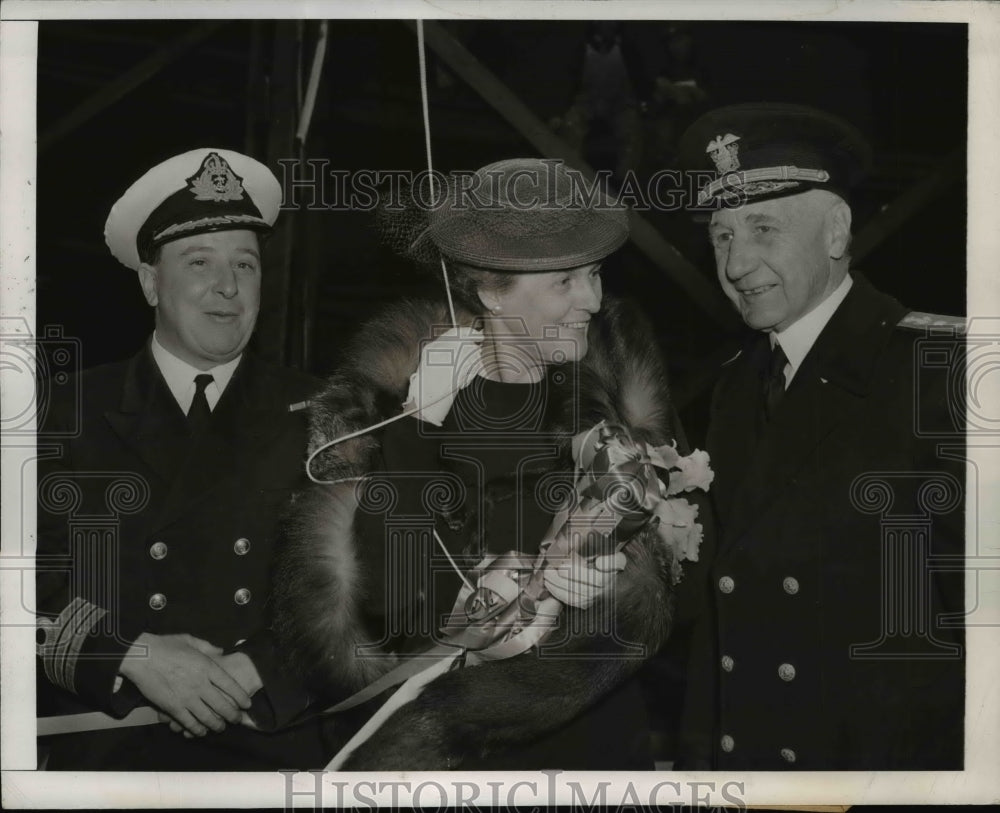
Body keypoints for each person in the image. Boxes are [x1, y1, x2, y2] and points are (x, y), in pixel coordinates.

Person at [269, 158, 711, 770]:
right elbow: (369, 596)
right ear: (489, 291)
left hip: (590, 754)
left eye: (595, 273)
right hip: (443, 759)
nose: (593, 299)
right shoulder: (403, 411)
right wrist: (464, 603)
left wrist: (617, 582)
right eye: (564, 282)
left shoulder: (621, 409)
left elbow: (695, 587)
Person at [675, 103, 965, 769]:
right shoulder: (736, 387)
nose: (737, 263)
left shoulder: (940, 373)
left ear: (836, 232)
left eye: (763, 228)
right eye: (721, 235)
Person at [35, 148, 327, 770]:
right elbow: (16, 580)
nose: (227, 286)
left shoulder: (326, 413)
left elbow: (371, 590)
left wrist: (255, 670)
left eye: (245, 265)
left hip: (269, 738)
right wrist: (132, 656)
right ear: (149, 282)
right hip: (104, 745)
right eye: (200, 262)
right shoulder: (60, 413)